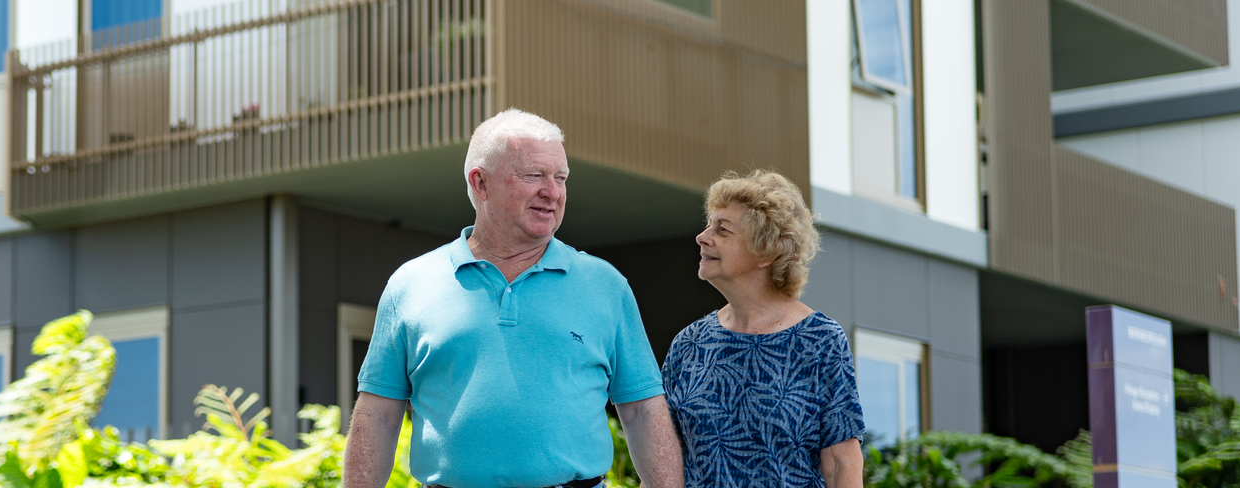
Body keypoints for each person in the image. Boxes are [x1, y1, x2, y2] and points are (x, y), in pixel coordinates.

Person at [342, 109, 684, 488]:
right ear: (481, 183)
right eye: (533, 175)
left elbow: (641, 412)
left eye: (561, 178)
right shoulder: (411, 284)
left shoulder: (605, 285)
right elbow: (378, 415)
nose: (552, 192)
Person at [663, 170, 864, 487]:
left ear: (767, 251)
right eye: (708, 224)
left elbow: (842, 464)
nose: (702, 236)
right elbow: (663, 459)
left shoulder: (820, 340)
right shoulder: (689, 344)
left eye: (723, 229)